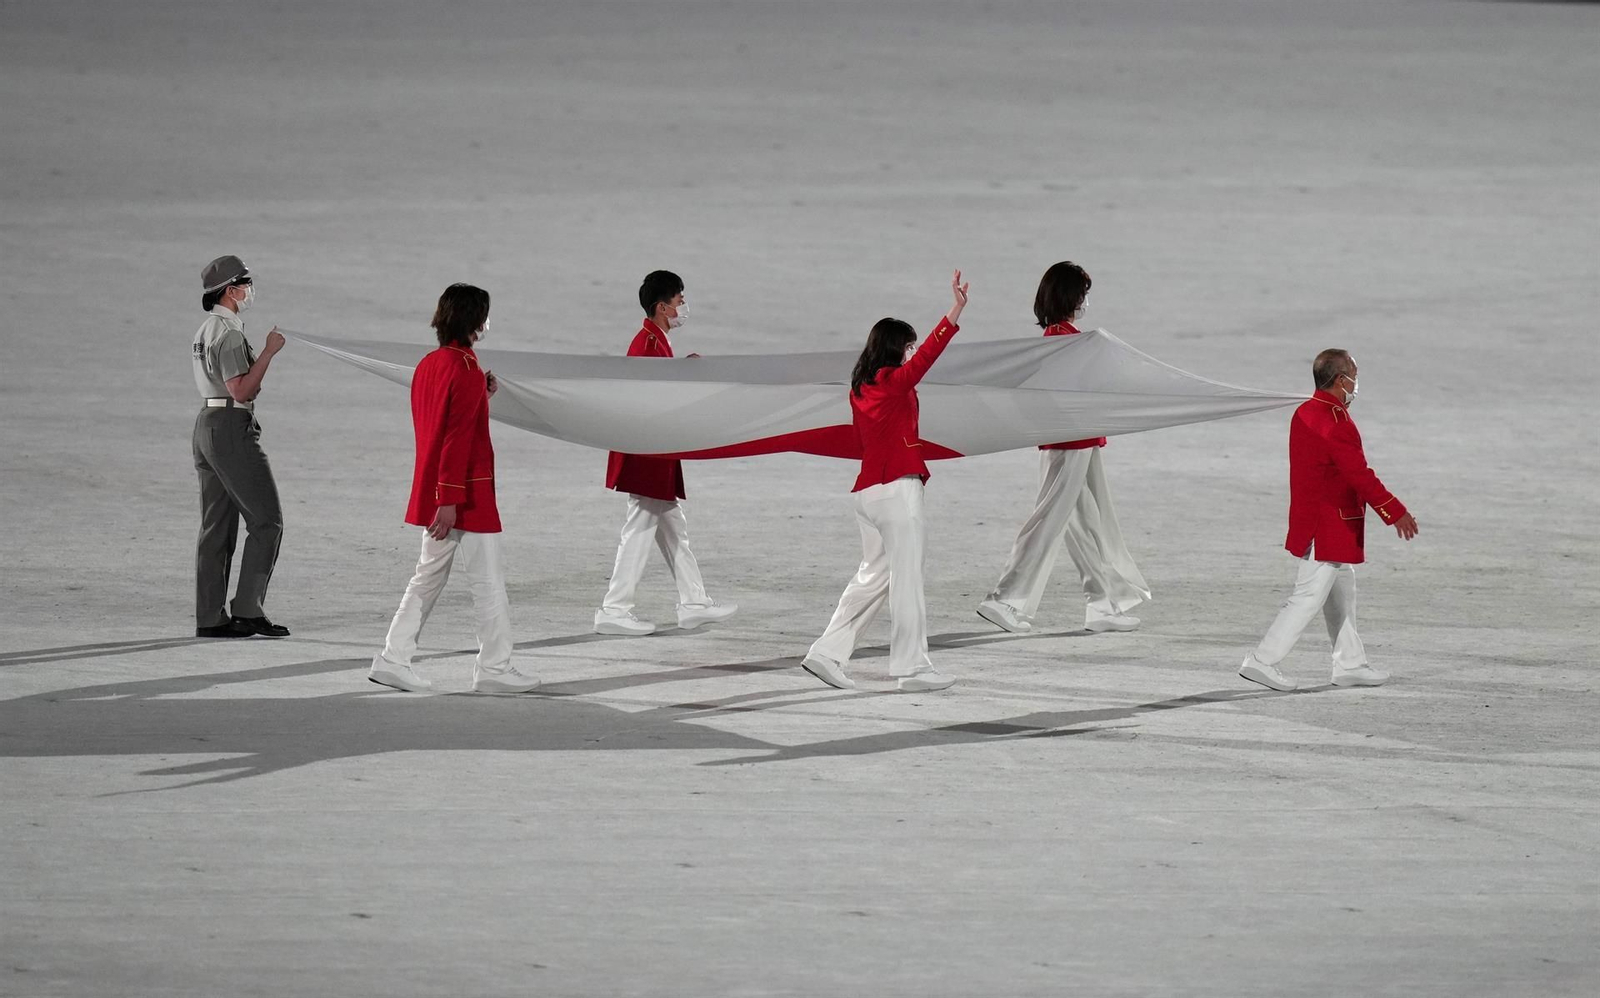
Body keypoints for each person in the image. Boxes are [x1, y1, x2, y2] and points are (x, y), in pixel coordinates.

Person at [801, 271, 970, 693]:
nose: (912, 349)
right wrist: (954, 313)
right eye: (907, 344)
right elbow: (923, 362)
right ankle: (911, 668)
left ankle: (826, 653)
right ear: (896, 348)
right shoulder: (894, 383)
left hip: (868, 494)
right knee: (907, 580)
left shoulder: (860, 388)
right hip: (898, 492)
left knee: (873, 579)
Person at [368, 284, 541, 694]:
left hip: (439, 492)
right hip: (466, 494)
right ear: (475, 322)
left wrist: (481, 393)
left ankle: (393, 657)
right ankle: (494, 668)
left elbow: (439, 423)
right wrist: (450, 499)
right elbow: (456, 437)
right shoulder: (466, 369)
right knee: (488, 582)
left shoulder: (431, 364)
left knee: (426, 578)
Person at [975, 261, 1151, 635]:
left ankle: (1102, 603)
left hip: (1077, 438)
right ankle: (1004, 598)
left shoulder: (1065, 337)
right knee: (1050, 518)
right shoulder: (1064, 340)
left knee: (1085, 523)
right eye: (1083, 294)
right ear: (1071, 297)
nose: (1086, 301)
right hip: (1069, 440)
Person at [1238, 349, 1418, 691]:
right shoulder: (1336, 423)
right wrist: (1395, 511)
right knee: (1307, 596)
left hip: (1312, 518)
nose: (1356, 382)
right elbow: (1359, 475)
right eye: (1353, 374)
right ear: (1340, 380)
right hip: (1330, 524)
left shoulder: (1305, 412)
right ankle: (1262, 660)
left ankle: (1349, 664)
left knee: (1341, 590)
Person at [594, 270, 738, 636]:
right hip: (647, 452)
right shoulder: (648, 346)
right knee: (641, 527)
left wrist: (681, 371)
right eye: (679, 300)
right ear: (662, 307)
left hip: (651, 450)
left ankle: (693, 602)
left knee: (672, 528)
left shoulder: (654, 342)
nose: (683, 306)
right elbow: (648, 400)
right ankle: (615, 608)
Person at [191, 254, 289, 639]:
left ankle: (209, 616)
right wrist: (269, 351)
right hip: (231, 426)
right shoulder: (229, 333)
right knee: (267, 521)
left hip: (206, 424)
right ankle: (248, 609)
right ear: (231, 290)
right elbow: (243, 389)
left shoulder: (205, 329)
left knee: (215, 527)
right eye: (246, 284)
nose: (250, 290)